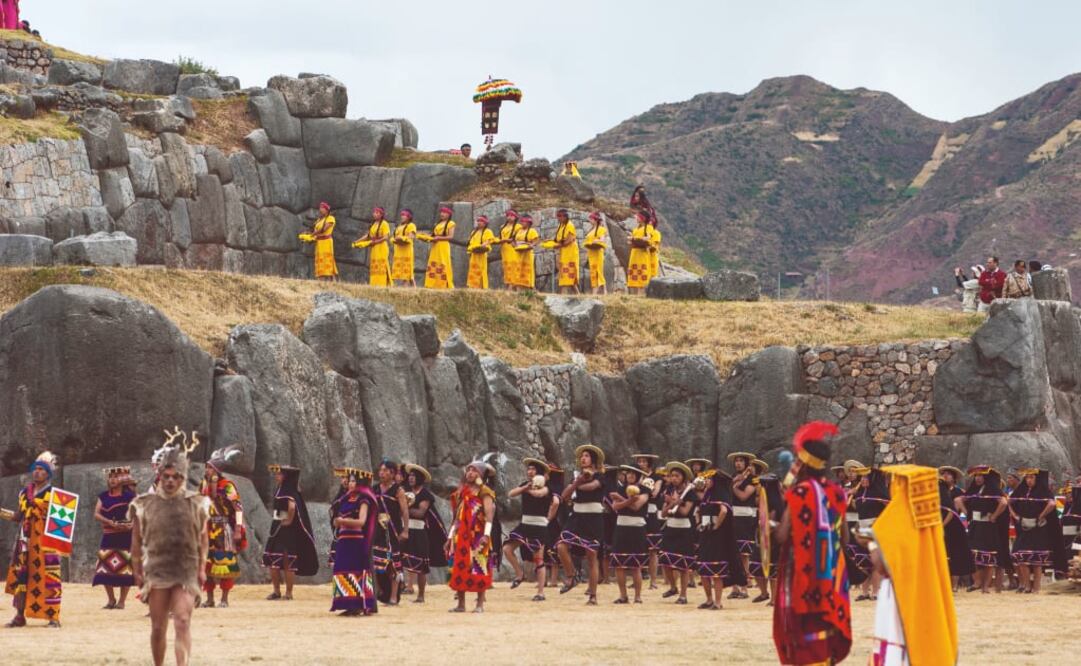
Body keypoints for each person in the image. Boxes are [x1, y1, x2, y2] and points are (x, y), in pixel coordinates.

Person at [772, 422, 852, 666]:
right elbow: (845, 538)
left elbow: (782, 536)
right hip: (832, 574)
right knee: (826, 629)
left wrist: (768, 527)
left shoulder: (799, 493)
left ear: (804, 465)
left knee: (804, 633)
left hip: (803, 576)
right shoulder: (837, 492)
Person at [129, 430, 210, 666]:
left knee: (182, 620)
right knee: (158, 627)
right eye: (166, 476)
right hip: (157, 571)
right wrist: (137, 570)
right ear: (160, 477)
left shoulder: (197, 504)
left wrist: (202, 568)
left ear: (183, 478)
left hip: (186, 570)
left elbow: (203, 538)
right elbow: (136, 540)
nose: (170, 481)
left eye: (176, 477)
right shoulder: (144, 504)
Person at [869, 465, 959, 666]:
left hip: (899, 591)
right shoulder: (931, 519)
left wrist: (869, 542)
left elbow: (880, 563)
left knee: (898, 639)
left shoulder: (896, 515)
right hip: (928, 588)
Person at [4, 452, 64, 628]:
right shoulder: (24, 493)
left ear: (48, 474)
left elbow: (61, 523)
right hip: (25, 541)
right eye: (35, 469)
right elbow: (18, 516)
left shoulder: (55, 495)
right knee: (22, 577)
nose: (37, 472)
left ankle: (53, 617)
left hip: (47, 543)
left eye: (41, 469)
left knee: (50, 577)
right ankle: (19, 616)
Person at [556, 444, 607, 604]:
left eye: (586, 456)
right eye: (582, 456)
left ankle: (593, 595)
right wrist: (576, 482)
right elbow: (564, 496)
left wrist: (578, 483)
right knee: (561, 546)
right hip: (576, 517)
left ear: (593, 460)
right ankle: (572, 576)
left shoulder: (600, 476)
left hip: (593, 518)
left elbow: (592, 487)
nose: (583, 458)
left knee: (591, 557)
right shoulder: (577, 478)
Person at [503, 458, 559, 601]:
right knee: (507, 549)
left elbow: (541, 495)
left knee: (539, 559)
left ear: (539, 471)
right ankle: (519, 574)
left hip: (539, 526)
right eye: (528, 469)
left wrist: (548, 519)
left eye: (533, 469)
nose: (530, 471)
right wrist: (525, 488)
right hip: (525, 524)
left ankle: (540, 592)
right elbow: (511, 493)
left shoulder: (547, 487)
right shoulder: (526, 485)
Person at [446, 461, 497, 612]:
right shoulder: (462, 492)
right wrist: (450, 537)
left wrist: (486, 535)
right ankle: (461, 605)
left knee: (479, 567)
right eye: (468, 470)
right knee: (460, 568)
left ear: (480, 474)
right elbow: (457, 518)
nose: (470, 473)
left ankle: (479, 605)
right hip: (462, 536)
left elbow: (489, 515)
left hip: (479, 536)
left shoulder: (485, 491)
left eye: (474, 470)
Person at [262, 465, 319, 600]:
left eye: (280, 474)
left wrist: (288, 520)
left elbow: (292, 507)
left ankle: (288, 593)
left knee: (287, 561)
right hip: (277, 527)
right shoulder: (281, 488)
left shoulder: (288, 490)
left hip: (286, 531)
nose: (277, 476)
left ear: (286, 476)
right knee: (273, 560)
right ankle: (276, 591)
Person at [199, 448, 246, 608]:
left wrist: (238, 529)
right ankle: (210, 599)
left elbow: (238, 508)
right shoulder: (203, 485)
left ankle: (224, 599)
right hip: (208, 528)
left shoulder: (228, 486)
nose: (207, 470)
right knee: (207, 563)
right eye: (206, 467)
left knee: (224, 562)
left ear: (217, 470)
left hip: (224, 529)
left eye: (210, 467)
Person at [330, 468, 379, 616]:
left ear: (360, 482)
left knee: (355, 570)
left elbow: (361, 521)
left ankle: (357, 605)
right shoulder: (345, 498)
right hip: (343, 539)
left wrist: (342, 521)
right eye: (350, 481)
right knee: (342, 569)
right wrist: (336, 521)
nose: (350, 483)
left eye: (353, 481)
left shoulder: (363, 499)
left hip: (355, 540)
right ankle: (347, 603)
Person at [695, 468, 746, 609]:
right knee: (704, 568)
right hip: (705, 533)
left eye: (709, 479)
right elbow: (698, 510)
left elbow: (724, 511)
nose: (706, 481)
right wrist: (699, 523)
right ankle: (709, 600)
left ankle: (717, 602)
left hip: (716, 536)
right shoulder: (707, 495)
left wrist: (716, 526)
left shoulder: (720, 493)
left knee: (716, 570)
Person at [1009, 468, 1063, 593]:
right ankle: (1027, 586)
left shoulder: (1044, 491)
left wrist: (1041, 516)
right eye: (1027, 477)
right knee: (1021, 557)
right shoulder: (1021, 491)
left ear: (1037, 479)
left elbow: (1052, 504)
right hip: (1024, 528)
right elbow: (1008, 502)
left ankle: (1036, 588)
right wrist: (1015, 516)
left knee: (1036, 560)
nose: (1029, 480)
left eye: (1031, 477)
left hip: (1038, 528)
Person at [401, 464, 447, 604]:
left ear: (420, 478)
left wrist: (404, 509)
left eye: (414, 476)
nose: (411, 478)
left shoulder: (425, 494)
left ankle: (421, 596)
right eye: (410, 475)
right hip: (405, 529)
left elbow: (421, 513)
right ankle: (395, 591)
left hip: (419, 532)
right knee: (397, 560)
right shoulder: (405, 492)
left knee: (421, 565)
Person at [92, 466, 137, 610]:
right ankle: (111, 599)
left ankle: (122, 601)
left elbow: (138, 512)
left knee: (125, 567)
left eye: (116, 477)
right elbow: (96, 513)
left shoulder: (129, 496)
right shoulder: (103, 496)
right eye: (110, 477)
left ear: (122, 479)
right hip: (109, 535)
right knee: (105, 567)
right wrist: (109, 522)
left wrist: (131, 524)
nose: (112, 480)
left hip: (125, 535)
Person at [959, 466, 1009, 593]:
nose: (977, 478)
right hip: (975, 526)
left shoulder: (992, 489)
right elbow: (957, 500)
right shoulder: (973, 490)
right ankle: (977, 582)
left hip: (988, 526)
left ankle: (985, 587)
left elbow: (1003, 502)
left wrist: (995, 515)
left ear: (986, 477)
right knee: (973, 555)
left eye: (980, 475)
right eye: (976, 476)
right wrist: (967, 513)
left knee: (988, 558)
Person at [608, 465, 650, 604]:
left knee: (635, 565)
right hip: (621, 526)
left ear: (638, 476)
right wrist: (628, 500)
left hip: (637, 528)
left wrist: (621, 499)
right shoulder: (621, 488)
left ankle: (637, 596)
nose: (630, 475)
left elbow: (636, 506)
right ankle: (623, 596)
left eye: (634, 473)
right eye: (628, 473)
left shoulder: (645, 490)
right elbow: (615, 507)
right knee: (619, 564)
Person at [728, 452, 767, 601]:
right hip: (733, 517)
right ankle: (734, 587)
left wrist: (733, 486)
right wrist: (733, 483)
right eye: (736, 461)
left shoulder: (752, 479)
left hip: (746, 519)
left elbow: (743, 496)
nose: (738, 463)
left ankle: (744, 586)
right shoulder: (733, 476)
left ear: (746, 464)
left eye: (741, 461)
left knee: (744, 554)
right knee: (733, 553)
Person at [658, 461, 697, 604]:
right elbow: (663, 513)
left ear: (683, 477)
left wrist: (676, 503)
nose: (674, 478)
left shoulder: (690, 492)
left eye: (677, 476)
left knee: (683, 565)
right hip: (670, 527)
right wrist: (672, 503)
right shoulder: (669, 490)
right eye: (672, 476)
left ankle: (683, 595)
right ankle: (673, 587)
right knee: (665, 560)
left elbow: (685, 512)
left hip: (684, 529)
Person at [373, 460, 410, 604]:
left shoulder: (398, 490)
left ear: (392, 473)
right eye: (380, 470)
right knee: (376, 560)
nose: (381, 473)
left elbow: (404, 511)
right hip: (377, 531)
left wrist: (405, 530)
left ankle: (394, 596)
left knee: (392, 562)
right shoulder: (375, 488)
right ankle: (379, 591)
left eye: (385, 470)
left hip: (393, 531)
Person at [851, 465, 890, 600]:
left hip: (875, 530)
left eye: (866, 477)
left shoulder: (879, 494)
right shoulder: (859, 494)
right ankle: (864, 592)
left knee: (875, 561)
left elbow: (890, 508)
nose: (863, 480)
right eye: (862, 477)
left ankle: (875, 592)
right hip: (862, 529)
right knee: (864, 561)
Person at [633, 453, 665, 589]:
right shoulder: (635, 476)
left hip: (651, 512)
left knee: (653, 549)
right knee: (637, 547)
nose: (641, 464)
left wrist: (640, 487)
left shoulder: (657, 477)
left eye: (644, 461)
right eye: (639, 461)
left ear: (649, 463)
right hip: (638, 511)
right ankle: (637, 578)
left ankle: (653, 581)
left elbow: (655, 493)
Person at [939, 474, 975, 591]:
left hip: (954, 525)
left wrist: (943, 524)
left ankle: (954, 585)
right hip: (940, 524)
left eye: (948, 474)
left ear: (954, 478)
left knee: (955, 554)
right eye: (943, 473)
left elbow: (953, 510)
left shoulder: (959, 492)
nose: (945, 476)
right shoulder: (938, 491)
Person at [352, 207, 392, 287]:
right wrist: (357, 241)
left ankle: (383, 284)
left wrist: (376, 241)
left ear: (381, 215)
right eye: (374, 212)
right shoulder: (373, 224)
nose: (375, 214)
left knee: (381, 265)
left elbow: (386, 237)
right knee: (374, 265)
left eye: (377, 213)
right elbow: (368, 236)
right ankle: (374, 284)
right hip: (374, 247)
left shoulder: (384, 224)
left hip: (381, 247)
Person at [302, 202, 338, 282]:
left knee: (327, 260)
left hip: (326, 242)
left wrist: (312, 235)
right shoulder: (319, 220)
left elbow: (323, 230)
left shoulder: (331, 218)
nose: (320, 210)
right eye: (320, 208)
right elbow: (313, 230)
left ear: (326, 210)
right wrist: (307, 234)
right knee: (319, 260)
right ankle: (321, 280)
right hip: (319, 242)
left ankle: (332, 280)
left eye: (322, 208)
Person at [423, 207, 456, 289]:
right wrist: (426, 237)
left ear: (449, 214)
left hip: (443, 245)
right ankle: (432, 283)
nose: (442, 214)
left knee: (443, 263)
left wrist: (439, 238)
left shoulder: (451, 223)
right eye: (441, 212)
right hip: (435, 246)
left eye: (444, 212)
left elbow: (450, 237)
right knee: (433, 262)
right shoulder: (438, 224)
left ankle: (444, 284)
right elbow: (433, 235)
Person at [551, 209, 580, 295]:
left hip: (570, 253)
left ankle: (563, 293)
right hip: (563, 252)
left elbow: (569, 240)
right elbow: (558, 239)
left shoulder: (570, 225)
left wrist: (558, 246)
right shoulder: (561, 226)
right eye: (557, 216)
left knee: (568, 273)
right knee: (564, 273)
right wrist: (551, 243)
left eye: (559, 216)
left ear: (565, 216)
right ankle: (577, 294)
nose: (558, 218)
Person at [627, 211, 656, 294]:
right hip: (634, 252)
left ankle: (641, 292)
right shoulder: (635, 229)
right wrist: (631, 240)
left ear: (643, 218)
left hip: (642, 253)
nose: (636, 218)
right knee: (634, 271)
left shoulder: (648, 227)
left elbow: (648, 238)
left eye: (638, 217)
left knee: (642, 271)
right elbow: (631, 241)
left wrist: (638, 239)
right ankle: (636, 293)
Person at [466, 215, 497, 289]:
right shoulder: (474, 232)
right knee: (473, 269)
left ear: (485, 223)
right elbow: (471, 242)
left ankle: (482, 286)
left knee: (481, 269)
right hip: (474, 253)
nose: (479, 223)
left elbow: (489, 240)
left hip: (482, 254)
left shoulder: (488, 231)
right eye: (478, 221)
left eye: (481, 221)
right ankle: (472, 286)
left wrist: (482, 245)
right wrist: (472, 249)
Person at [391, 209, 418, 287]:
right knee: (398, 269)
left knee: (407, 272)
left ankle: (406, 287)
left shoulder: (411, 225)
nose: (402, 216)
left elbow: (411, 236)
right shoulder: (399, 227)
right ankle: (413, 289)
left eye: (404, 215)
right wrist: (395, 239)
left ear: (409, 217)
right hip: (398, 250)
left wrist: (401, 238)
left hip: (407, 250)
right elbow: (395, 237)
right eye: (402, 215)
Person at [512, 213, 540, 290]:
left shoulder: (532, 231)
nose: (522, 223)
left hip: (527, 254)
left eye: (524, 221)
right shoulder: (518, 230)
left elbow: (536, 240)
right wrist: (514, 245)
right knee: (518, 270)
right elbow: (513, 240)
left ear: (528, 222)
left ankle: (530, 288)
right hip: (518, 253)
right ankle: (518, 288)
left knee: (527, 271)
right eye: (521, 221)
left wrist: (531, 245)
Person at [583, 212, 608, 294]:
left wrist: (597, 240)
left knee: (599, 271)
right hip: (591, 253)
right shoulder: (591, 230)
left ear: (596, 220)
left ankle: (602, 291)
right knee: (593, 272)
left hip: (598, 252)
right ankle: (598, 291)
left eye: (591, 219)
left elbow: (602, 239)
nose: (590, 220)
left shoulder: (601, 229)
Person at [497, 210, 521, 290]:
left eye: (511, 215)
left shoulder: (518, 227)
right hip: (504, 249)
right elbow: (500, 238)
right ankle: (508, 284)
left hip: (513, 248)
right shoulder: (502, 227)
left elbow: (518, 238)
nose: (509, 217)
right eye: (508, 215)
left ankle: (512, 285)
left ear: (515, 217)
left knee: (513, 266)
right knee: (506, 267)